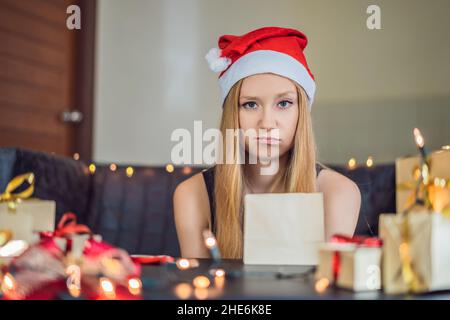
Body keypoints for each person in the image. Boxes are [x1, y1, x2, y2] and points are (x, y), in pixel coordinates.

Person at [174, 26, 361, 259]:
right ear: (233, 115)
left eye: (284, 104)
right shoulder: (192, 195)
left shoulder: (339, 193)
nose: (267, 123)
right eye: (250, 104)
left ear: (301, 113)